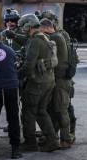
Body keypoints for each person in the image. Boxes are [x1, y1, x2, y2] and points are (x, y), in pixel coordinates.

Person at [18, 14, 59, 152]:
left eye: (23, 27)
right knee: (41, 111)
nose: (23, 30)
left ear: (28, 26)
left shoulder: (35, 41)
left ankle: (30, 143)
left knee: (28, 112)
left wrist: (19, 75)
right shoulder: (45, 37)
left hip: (37, 83)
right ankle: (53, 141)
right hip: (48, 81)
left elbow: (29, 65)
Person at [41, 10, 78, 143]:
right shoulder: (60, 35)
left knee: (62, 110)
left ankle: (66, 138)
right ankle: (55, 135)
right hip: (59, 79)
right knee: (55, 109)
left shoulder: (56, 37)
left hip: (61, 80)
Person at [0, 27, 22, 159]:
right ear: (1, 38)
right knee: (13, 118)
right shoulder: (10, 50)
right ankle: (15, 150)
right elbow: (17, 66)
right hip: (11, 88)